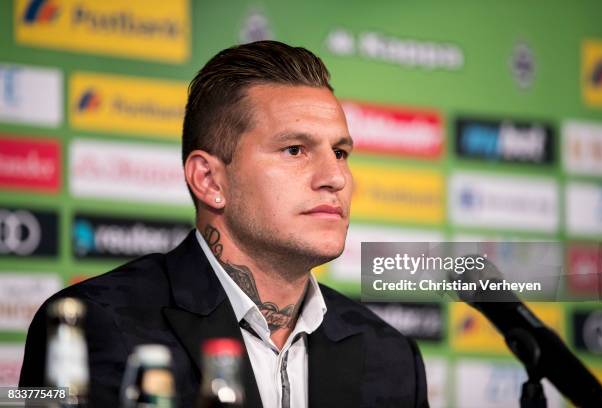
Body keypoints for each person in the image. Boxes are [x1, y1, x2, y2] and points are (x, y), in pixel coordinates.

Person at [19, 41, 429, 408]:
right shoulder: (90, 327)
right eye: (295, 149)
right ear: (210, 180)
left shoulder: (392, 359)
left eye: (340, 152)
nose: (334, 177)